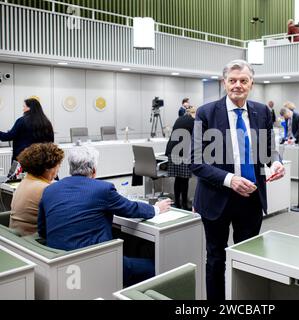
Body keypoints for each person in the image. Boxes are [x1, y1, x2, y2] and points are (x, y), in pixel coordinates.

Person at [191, 59, 285, 300]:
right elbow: (196, 162)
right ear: (224, 83)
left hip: (251, 199)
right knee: (215, 259)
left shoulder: (262, 111)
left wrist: (275, 162)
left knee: (248, 259)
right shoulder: (206, 113)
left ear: (251, 83)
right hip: (216, 198)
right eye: (232, 81)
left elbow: (267, 151)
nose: (237, 85)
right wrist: (230, 179)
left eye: (243, 81)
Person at [37, 146, 172, 287]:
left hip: (58, 264)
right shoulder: (102, 189)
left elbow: (42, 230)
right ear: (94, 170)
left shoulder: (49, 190)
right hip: (95, 263)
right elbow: (131, 209)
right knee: (156, 266)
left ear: (70, 168)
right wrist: (156, 208)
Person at [9, 143, 64, 236]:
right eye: (58, 164)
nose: (59, 168)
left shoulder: (26, 181)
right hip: (33, 243)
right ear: (48, 167)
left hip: (17, 239)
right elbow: (63, 219)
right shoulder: (45, 189)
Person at [165, 106, 197, 210]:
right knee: (184, 179)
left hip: (172, 150)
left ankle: (178, 203)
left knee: (178, 178)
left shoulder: (180, 118)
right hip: (181, 152)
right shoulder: (193, 121)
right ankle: (184, 204)